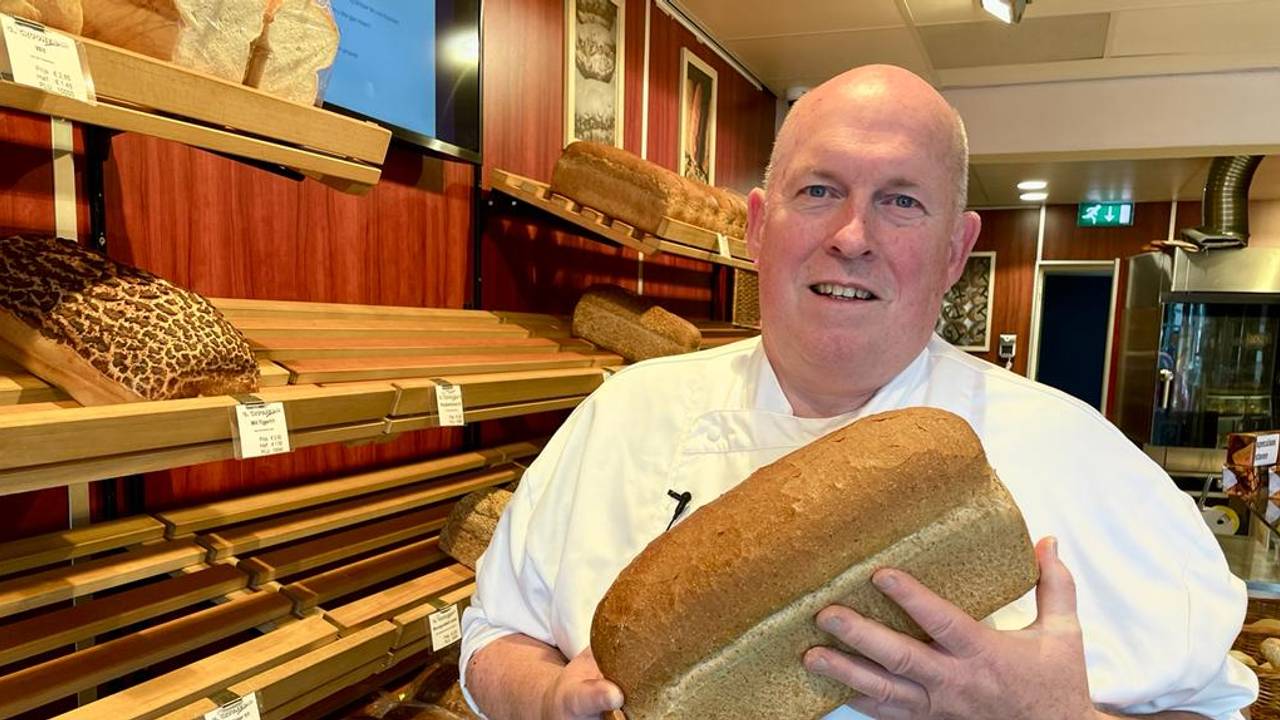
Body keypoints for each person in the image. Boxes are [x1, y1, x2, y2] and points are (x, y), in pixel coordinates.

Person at [459, 64, 1258, 720]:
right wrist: (548, 698)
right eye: (819, 191)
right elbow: (495, 639)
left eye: (900, 201)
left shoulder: (1080, 456)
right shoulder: (624, 414)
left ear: (956, 249)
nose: (851, 236)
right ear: (758, 227)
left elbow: (1214, 706)